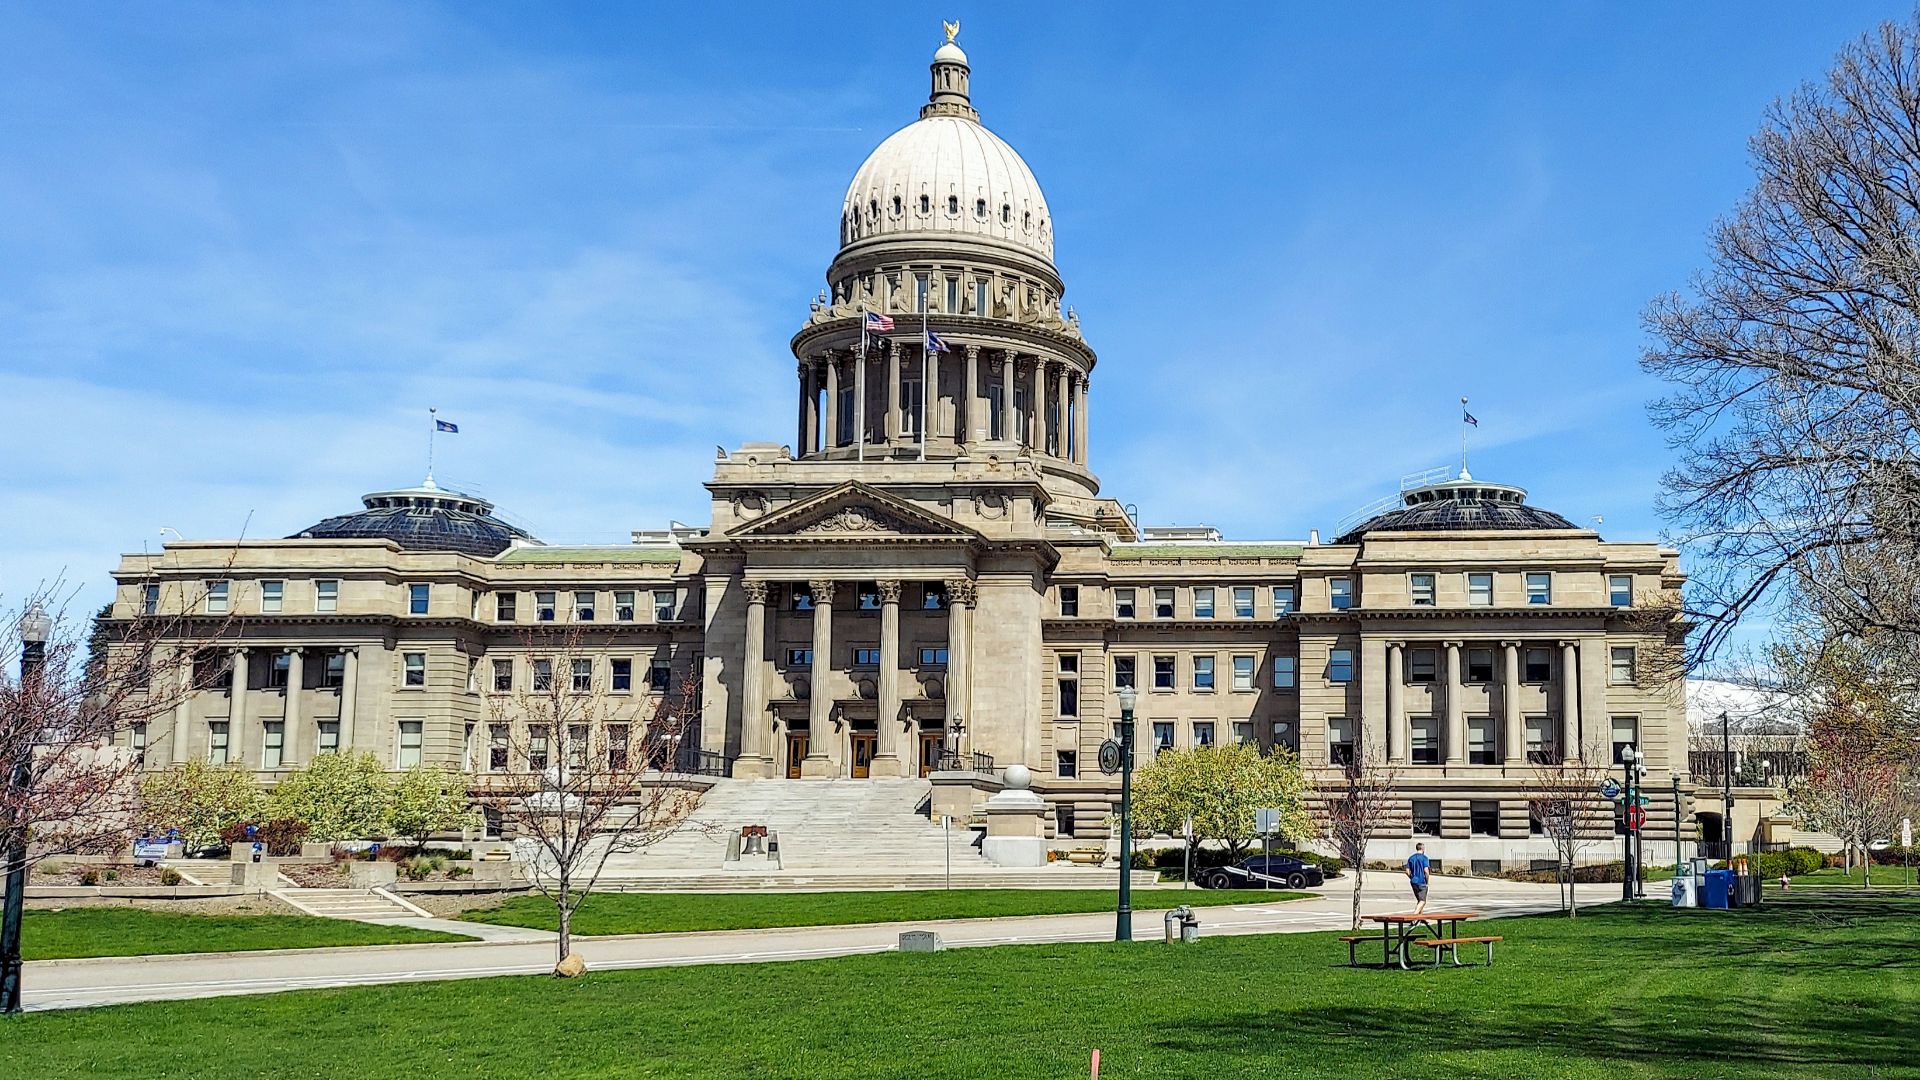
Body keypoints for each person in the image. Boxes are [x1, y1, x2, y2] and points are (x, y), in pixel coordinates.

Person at [1405, 843, 1431, 914]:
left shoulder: (1411, 858)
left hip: (1413, 882)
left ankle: (1421, 918)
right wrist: (1427, 881)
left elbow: (1407, 871)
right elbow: (1426, 871)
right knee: (1422, 901)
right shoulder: (1424, 858)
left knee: (1419, 900)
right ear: (1422, 849)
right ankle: (1414, 916)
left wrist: (1411, 877)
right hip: (1421, 881)